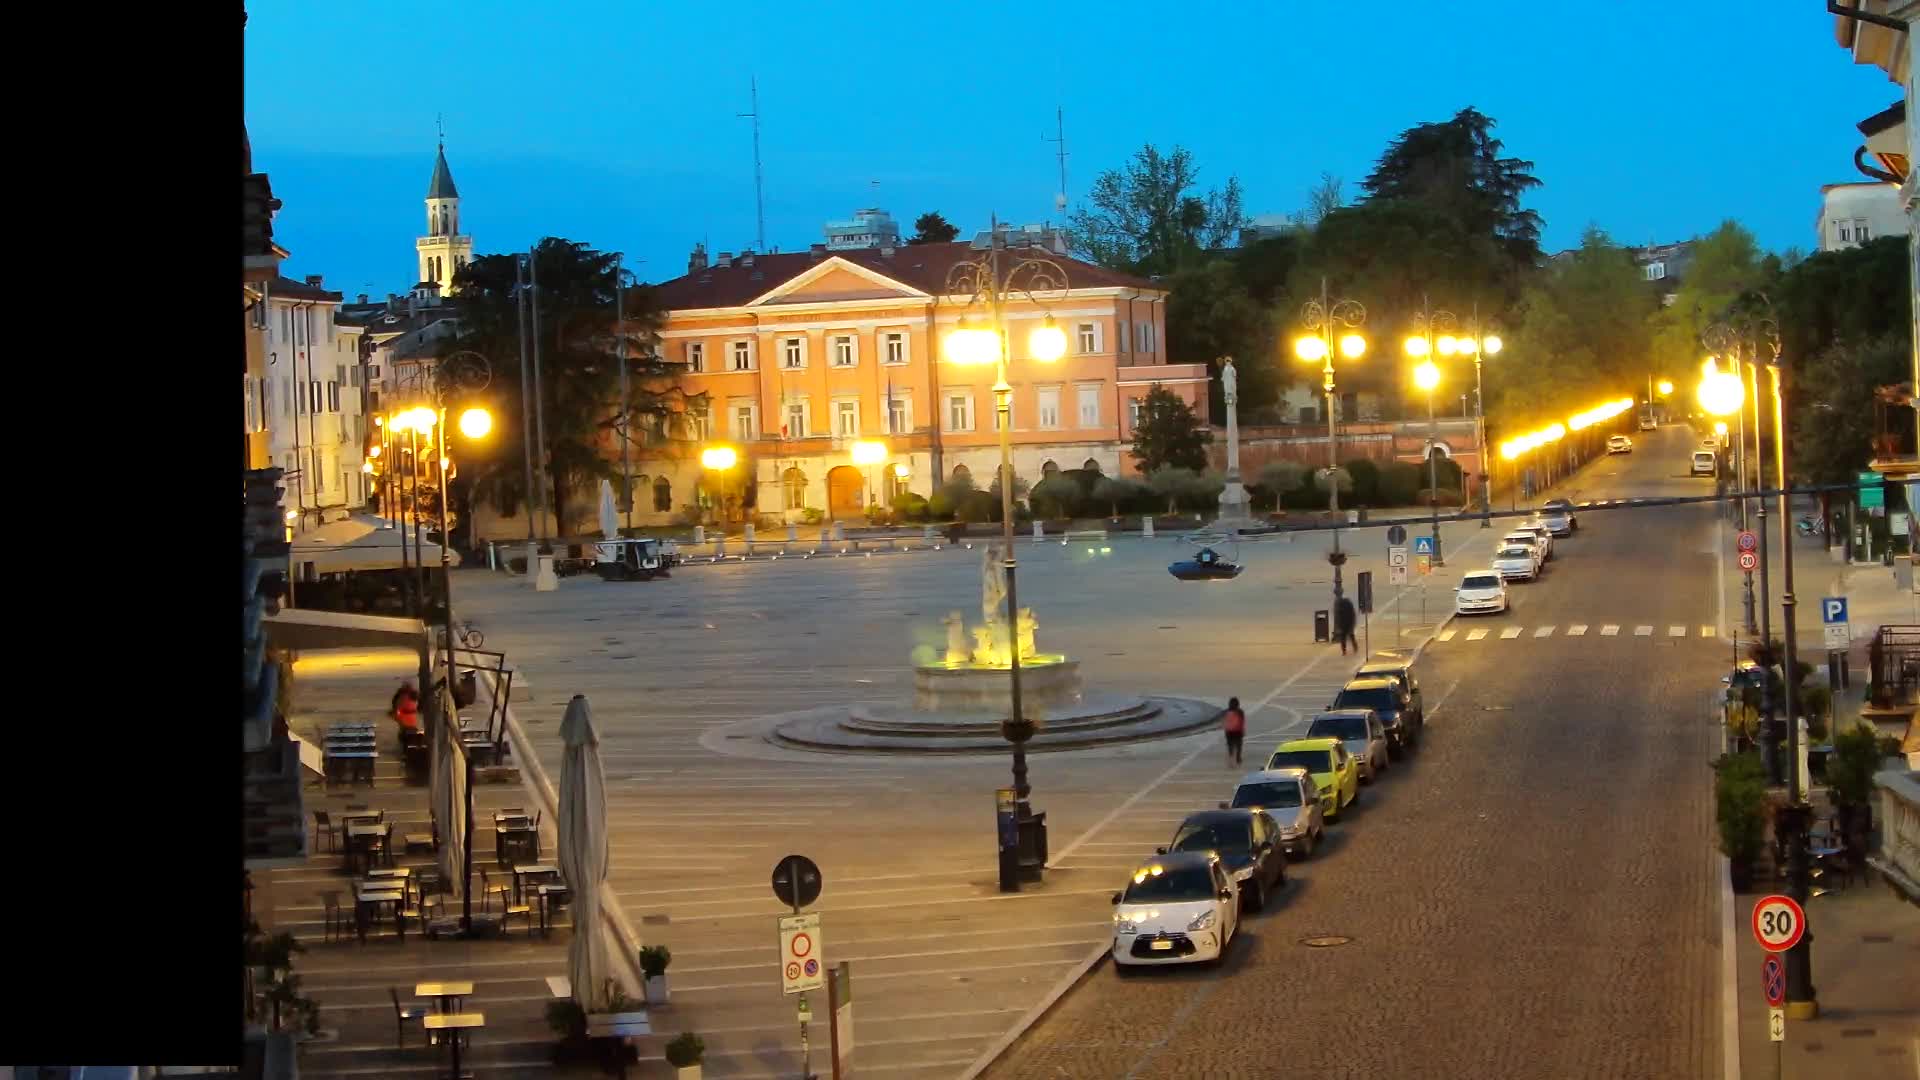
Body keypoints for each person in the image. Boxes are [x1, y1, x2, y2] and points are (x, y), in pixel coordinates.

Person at [1222, 696, 1246, 766]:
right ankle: (1238, 758)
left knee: (1230, 745)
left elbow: (1224, 722)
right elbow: (1242, 721)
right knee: (1239, 745)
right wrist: (1243, 730)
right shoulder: (1240, 712)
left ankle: (1231, 759)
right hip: (1238, 731)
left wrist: (1226, 729)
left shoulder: (1226, 711)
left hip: (1229, 731)